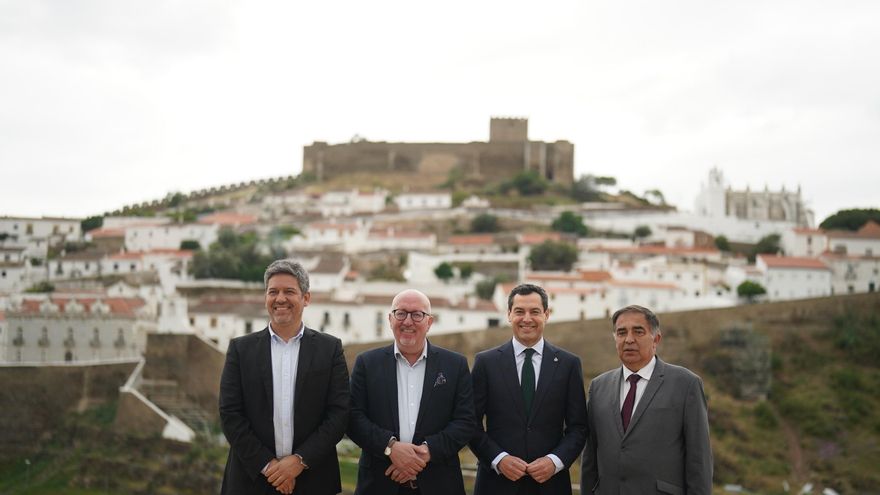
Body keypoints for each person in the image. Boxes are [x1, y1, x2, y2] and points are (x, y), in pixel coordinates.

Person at [219, 259, 350, 495]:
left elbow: (339, 414)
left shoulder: (329, 349)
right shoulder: (241, 350)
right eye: (273, 292)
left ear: (306, 298)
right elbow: (230, 414)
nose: (280, 299)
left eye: (289, 291)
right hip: (251, 481)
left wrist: (299, 461)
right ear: (266, 298)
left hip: (313, 480)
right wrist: (270, 467)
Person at [348, 289, 475, 495]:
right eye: (401, 313)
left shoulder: (455, 364)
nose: (408, 321)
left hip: (439, 485)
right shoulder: (367, 363)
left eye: (417, 315)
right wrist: (390, 448)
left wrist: (425, 453)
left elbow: (466, 421)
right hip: (379, 484)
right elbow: (353, 417)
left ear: (429, 322)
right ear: (390, 319)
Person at [580, 305, 713, 494]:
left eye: (638, 331)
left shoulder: (686, 384)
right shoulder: (599, 386)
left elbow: (699, 460)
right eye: (621, 332)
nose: (629, 339)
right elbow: (590, 458)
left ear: (656, 339)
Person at [470, 283, 587, 495]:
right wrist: (498, 459)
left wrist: (555, 461)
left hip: (551, 485)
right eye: (519, 312)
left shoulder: (569, 364)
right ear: (508, 315)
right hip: (496, 484)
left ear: (546, 315)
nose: (527, 319)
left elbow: (578, 427)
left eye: (534, 312)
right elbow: (470, 422)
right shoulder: (485, 363)